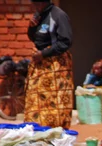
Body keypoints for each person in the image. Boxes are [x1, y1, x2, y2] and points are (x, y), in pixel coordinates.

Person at [25, 0, 74, 129]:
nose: (36, 7)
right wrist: (31, 27)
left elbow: (65, 42)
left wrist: (44, 53)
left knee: (55, 104)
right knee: (35, 102)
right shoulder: (38, 16)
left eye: (38, 3)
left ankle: (54, 133)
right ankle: (37, 132)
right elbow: (36, 38)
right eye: (34, 4)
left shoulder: (58, 15)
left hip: (55, 67)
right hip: (39, 65)